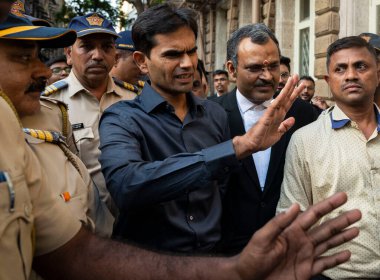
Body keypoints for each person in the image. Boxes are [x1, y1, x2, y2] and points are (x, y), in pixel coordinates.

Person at [0, 10, 363, 280]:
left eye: (191, 52)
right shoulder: (122, 118)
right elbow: (128, 185)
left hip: (218, 265)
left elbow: (225, 190)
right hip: (144, 266)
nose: (187, 63)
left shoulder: (214, 117)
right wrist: (233, 149)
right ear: (142, 62)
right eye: (173, 55)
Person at [277, 36, 380, 279]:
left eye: (361, 66)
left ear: (378, 74)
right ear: (328, 80)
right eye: (340, 69)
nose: (351, 75)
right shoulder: (305, 141)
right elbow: (291, 217)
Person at [213, 23, 317, 255]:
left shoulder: (303, 113)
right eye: (255, 68)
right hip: (223, 253)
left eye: (273, 66)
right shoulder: (210, 114)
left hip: (286, 250)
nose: (268, 76)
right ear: (231, 69)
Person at [42, 12, 138, 236]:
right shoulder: (49, 103)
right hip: (79, 232)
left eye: (106, 47)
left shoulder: (136, 100)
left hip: (136, 228)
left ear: (115, 55)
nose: (97, 55)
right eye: (86, 47)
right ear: (68, 54)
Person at [110, 30, 145, 95]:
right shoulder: (98, 89)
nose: (143, 71)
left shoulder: (145, 90)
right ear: (116, 58)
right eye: (137, 63)